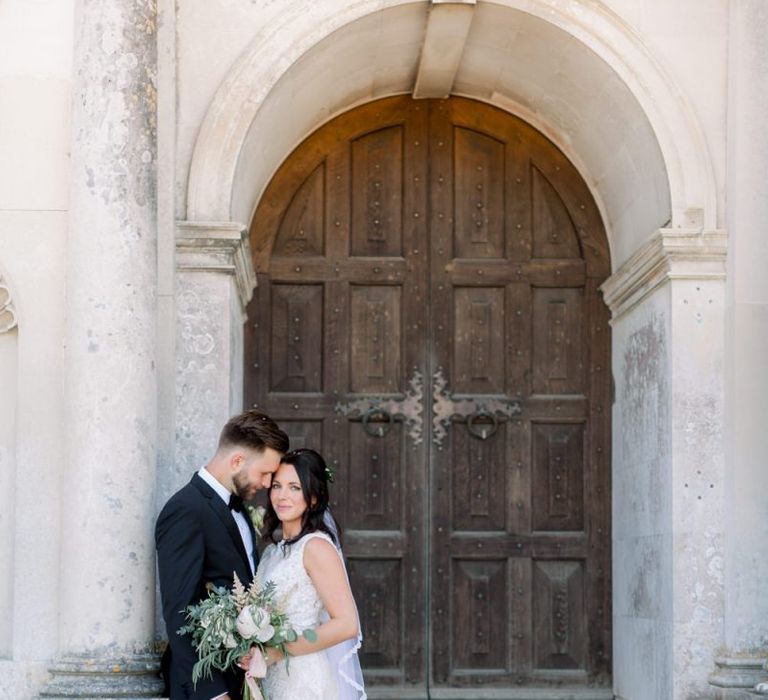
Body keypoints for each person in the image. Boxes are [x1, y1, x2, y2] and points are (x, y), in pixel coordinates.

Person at [155, 410, 289, 700]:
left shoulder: (238, 507)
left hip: (240, 677)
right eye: (264, 473)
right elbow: (179, 612)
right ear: (237, 461)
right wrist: (214, 694)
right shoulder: (185, 510)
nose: (268, 484)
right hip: (204, 686)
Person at [253, 448, 366, 699]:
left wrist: (278, 652)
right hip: (271, 676)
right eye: (277, 486)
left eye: (294, 487)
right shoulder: (273, 551)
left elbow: (347, 624)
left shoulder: (316, 548)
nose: (282, 496)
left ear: (313, 498)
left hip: (303, 680)